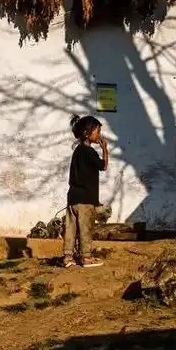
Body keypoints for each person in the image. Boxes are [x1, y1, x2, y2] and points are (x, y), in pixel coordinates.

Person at [65, 114, 109, 268]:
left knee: (71, 228)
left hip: (72, 198)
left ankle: (67, 258)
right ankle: (86, 257)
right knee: (86, 228)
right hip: (86, 199)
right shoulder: (90, 152)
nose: (99, 135)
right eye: (97, 131)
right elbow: (103, 166)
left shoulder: (77, 151)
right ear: (86, 133)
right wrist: (105, 149)